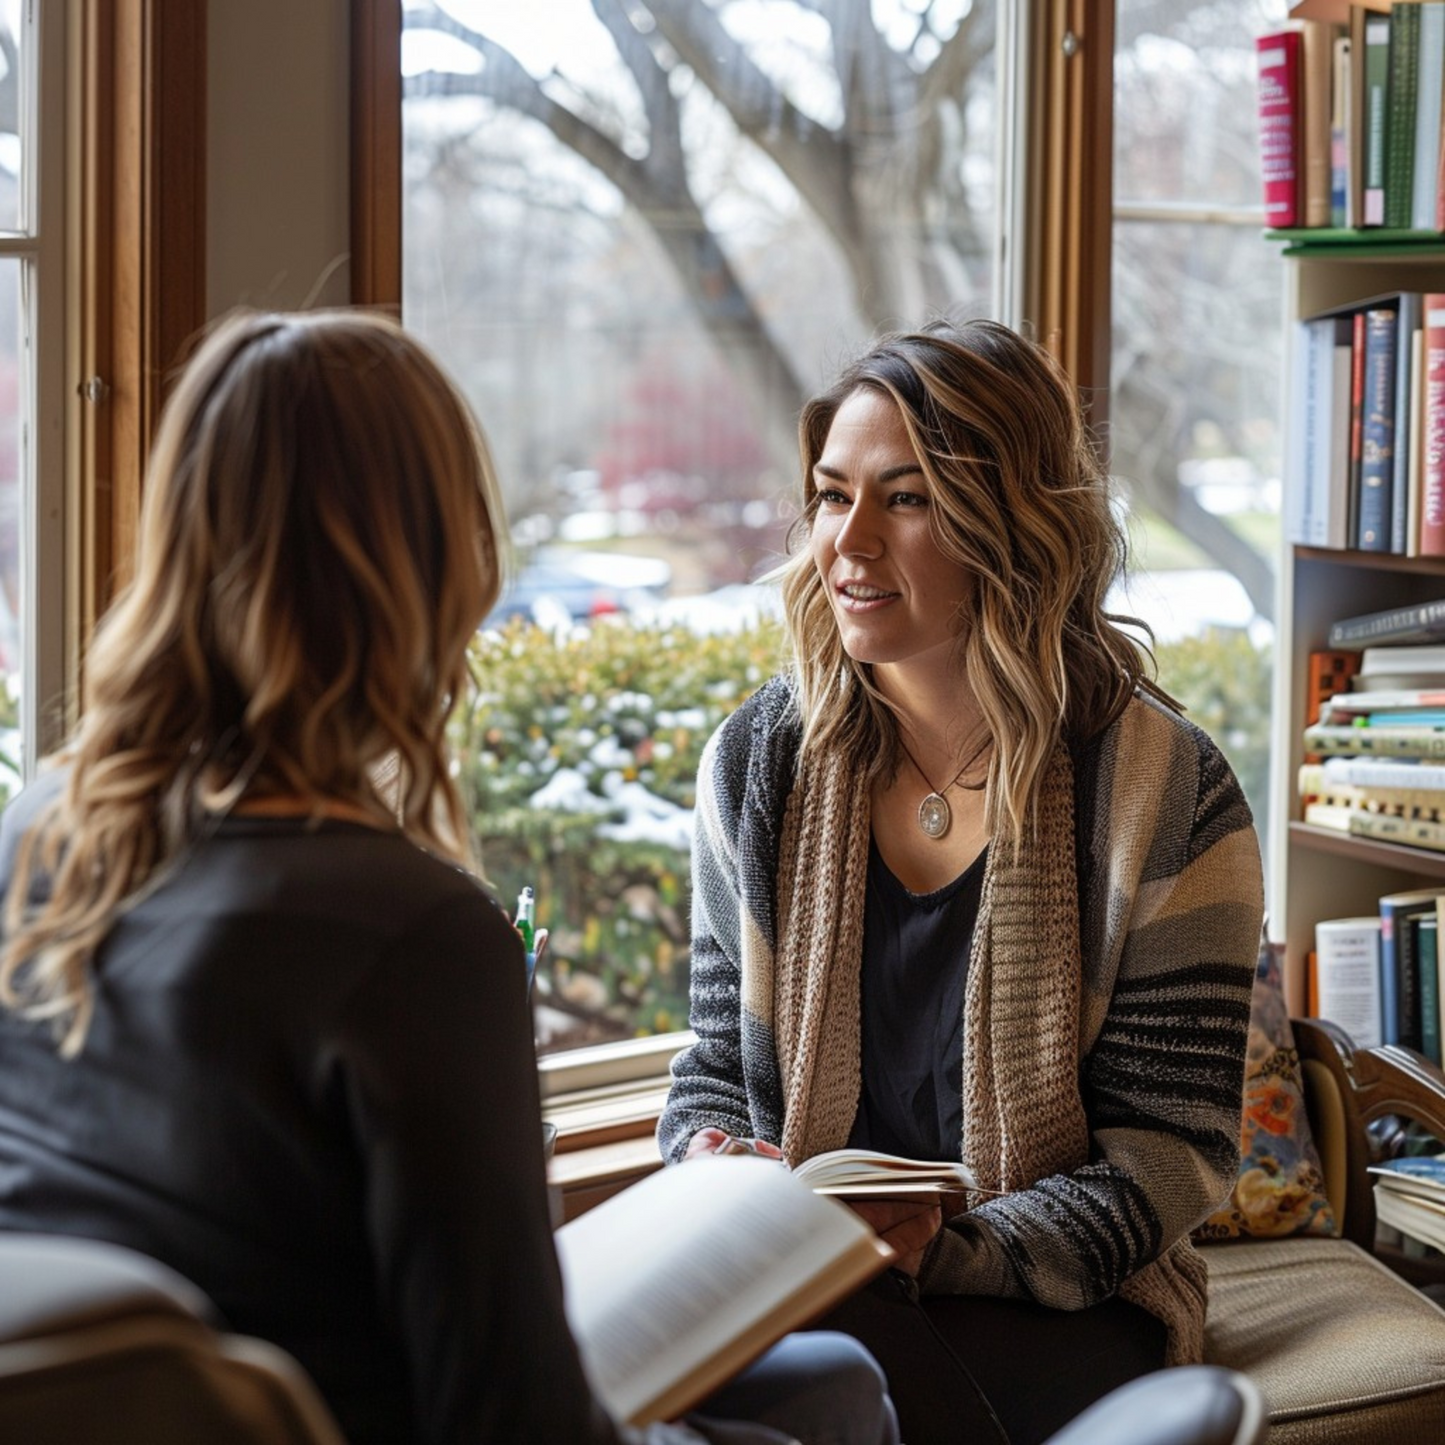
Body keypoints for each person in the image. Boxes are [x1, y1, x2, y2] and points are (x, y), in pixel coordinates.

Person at [0, 309, 899, 1445]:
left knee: (813, 1373)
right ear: (434, 561)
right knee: (835, 1397)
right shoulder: (405, 933)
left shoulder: (42, 828)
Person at [658, 319, 1266, 1445]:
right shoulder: (755, 768)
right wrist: (709, 1153)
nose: (849, 542)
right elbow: (706, 1071)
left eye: (906, 498)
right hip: (808, 1284)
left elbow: (1167, 1156)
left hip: (1068, 1301)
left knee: (839, 1374)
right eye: (832, 495)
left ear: (1009, 524)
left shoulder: (1165, 795)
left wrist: (949, 1251)